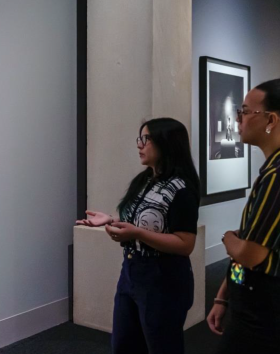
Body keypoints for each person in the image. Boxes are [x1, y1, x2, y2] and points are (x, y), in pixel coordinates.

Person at [207, 69, 280, 354]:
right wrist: (224, 296)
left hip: (268, 310)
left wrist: (227, 238)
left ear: (271, 121)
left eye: (246, 111)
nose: (239, 119)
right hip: (259, 300)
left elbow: (250, 255)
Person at [76, 117, 200, 354]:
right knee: (124, 344)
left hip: (163, 278)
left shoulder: (181, 188)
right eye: (139, 139)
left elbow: (185, 244)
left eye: (146, 139)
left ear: (167, 143)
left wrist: (136, 233)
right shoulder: (144, 180)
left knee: (162, 346)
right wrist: (111, 220)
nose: (139, 145)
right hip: (132, 273)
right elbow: (141, 222)